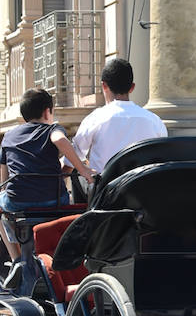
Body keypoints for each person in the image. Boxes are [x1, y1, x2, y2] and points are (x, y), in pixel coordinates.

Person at [0, 87, 95, 286]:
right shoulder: (52, 129)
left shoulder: (9, 136)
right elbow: (60, 140)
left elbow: (3, 178)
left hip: (18, 202)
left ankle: (16, 257)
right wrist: (84, 170)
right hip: (53, 200)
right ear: (47, 112)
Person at [72, 57, 167, 179]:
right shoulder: (155, 121)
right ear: (132, 87)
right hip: (143, 191)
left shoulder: (95, 119)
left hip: (106, 193)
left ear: (104, 86)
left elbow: (73, 158)